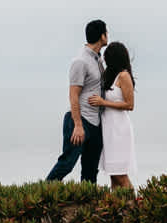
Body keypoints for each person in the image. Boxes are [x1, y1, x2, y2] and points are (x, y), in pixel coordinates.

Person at [46, 19, 107, 184]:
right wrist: (78, 125)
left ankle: (88, 202)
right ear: (102, 36)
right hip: (80, 121)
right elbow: (73, 94)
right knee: (67, 163)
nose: (107, 36)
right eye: (106, 32)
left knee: (90, 169)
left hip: (95, 123)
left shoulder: (98, 60)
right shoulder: (80, 61)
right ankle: (43, 193)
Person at [88, 41, 137, 193]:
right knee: (113, 176)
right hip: (108, 128)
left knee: (120, 174)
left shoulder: (124, 76)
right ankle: (118, 209)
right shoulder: (110, 75)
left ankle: (135, 205)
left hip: (119, 129)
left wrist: (104, 102)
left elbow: (129, 105)